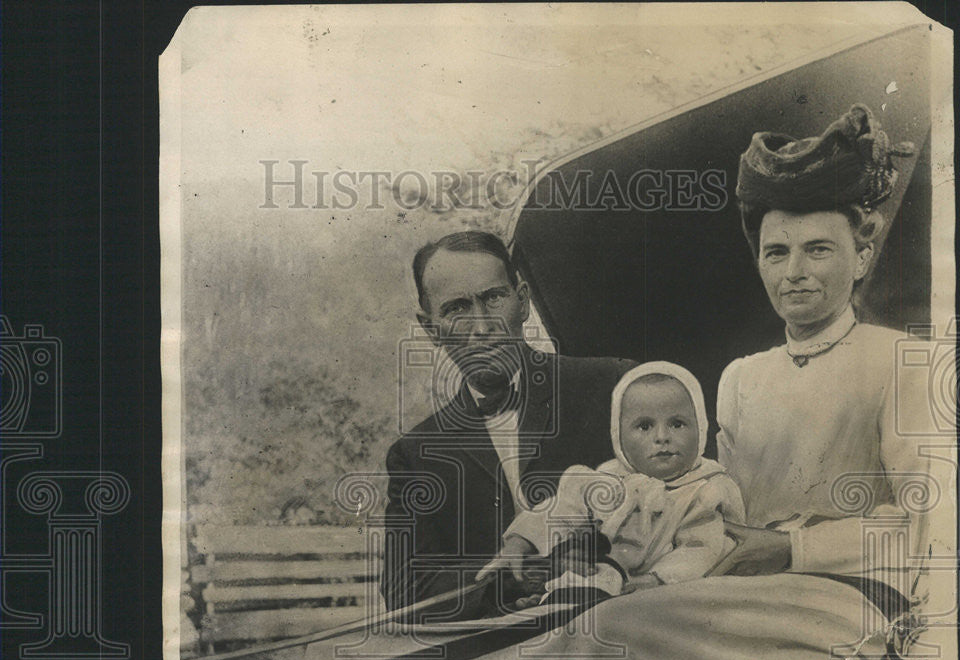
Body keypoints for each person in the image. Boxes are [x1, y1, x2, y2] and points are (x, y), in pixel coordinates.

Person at [715, 103, 928, 598]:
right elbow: (724, 515)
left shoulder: (901, 361)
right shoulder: (740, 379)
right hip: (746, 590)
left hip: (854, 594)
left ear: (861, 258)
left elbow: (932, 525)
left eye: (818, 249)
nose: (793, 272)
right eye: (777, 252)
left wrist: (796, 548)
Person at [381, 230, 635, 616]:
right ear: (430, 328)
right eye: (456, 309)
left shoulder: (613, 387)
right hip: (497, 653)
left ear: (524, 302)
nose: (482, 326)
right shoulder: (415, 454)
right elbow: (405, 588)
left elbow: (680, 498)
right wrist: (517, 578)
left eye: (493, 298)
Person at [480, 362, 744, 600]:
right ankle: (552, 602)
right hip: (603, 581)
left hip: (664, 593)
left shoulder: (706, 489)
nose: (662, 437)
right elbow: (561, 510)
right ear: (619, 435)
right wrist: (520, 542)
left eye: (677, 424)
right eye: (644, 426)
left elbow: (700, 550)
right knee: (571, 589)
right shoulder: (608, 478)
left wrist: (652, 581)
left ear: (700, 427)